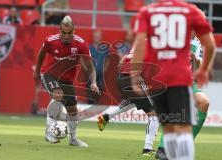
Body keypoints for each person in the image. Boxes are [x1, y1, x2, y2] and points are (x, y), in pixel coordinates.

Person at [130, 1, 216, 160]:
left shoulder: (149, 13)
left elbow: (140, 43)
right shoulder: (183, 19)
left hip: (176, 82)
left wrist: (198, 65)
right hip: (174, 81)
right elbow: (211, 45)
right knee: (181, 125)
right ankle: (168, 151)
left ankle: (165, 151)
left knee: (200, 104)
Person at [33, 15, 100, 147]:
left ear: (73, 31)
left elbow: (90, 65)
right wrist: (37, 71)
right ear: (60, 31)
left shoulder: (81, 44)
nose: (66, 36)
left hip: (67, 80)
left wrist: (93, 82)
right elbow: (41, 53)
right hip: (49, 74)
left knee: (73, 110)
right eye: (64, 32)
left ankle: (73, 139)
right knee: (58, 94)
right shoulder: (50, 41)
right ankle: (49, 130)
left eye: (69, 33)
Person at [156, 36, 210, 160]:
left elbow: (199, 68)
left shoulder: (197, 43)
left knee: (204, 102)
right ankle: (163, 148)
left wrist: (196, 60)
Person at [97, 53, 160, 157]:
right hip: (134, 79)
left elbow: (120, 64)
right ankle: (147, 149)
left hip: (121, 79)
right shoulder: (151, 47)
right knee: (154, 114)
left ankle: (106, 117)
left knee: (132, 101)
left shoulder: (134, 49)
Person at [87, 30, 109, 104]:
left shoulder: (105, 48)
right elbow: (84, 59)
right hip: (91, 73)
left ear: (101, 37)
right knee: (90, 90)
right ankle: (90, 106)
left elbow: (108, 59)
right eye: (96, 36)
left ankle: (96, 105)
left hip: (100, 74)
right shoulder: (89, 48)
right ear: (93, 37)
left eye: (98, 36)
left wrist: (105, 69)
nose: (97, 38)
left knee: (101, 89)